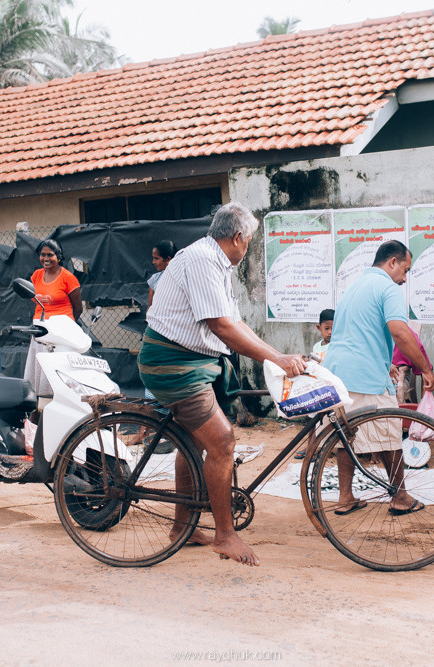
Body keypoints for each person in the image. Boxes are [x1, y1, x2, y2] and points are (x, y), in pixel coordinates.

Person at [138, 202, 305, 566]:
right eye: (250, 242)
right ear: (238, 238)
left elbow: (235, 323)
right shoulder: (202, 260)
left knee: (193, 442)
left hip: (193, 363)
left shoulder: (216, 262)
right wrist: (276, 359)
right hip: (174, 365)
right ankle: (225, 535)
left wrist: (277, 355)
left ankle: (181, 527)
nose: (248, 249)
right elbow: (222, 326)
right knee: (223, 441)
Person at [324, 240, 434, 516]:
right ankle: (400, 497)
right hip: (365, 378)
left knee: (346, 435)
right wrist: (424, 368)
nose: (405, 278)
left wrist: (384, 363)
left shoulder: (355, 287)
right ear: (393, 262)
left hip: (337, 373)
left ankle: (345, 497)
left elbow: (357, 334)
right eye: (405, 270)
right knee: (389, 436)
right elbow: (400, 332)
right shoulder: (388, 288)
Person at [24, 239, 82, 397]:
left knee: (58, 375)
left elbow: (78, 308)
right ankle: (41, 405)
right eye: (42, 255)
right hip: (40, 332)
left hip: (59, 335)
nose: (45, 258)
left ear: (59, 256)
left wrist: (64, 327)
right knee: (40, 374)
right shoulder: (36, 275)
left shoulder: (68, 277)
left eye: (50, 255)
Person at [294, 308, 334, 460]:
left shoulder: (338, 345)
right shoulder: (317, 346)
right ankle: (311, 447)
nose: (330, 332)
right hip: (318, 386)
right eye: (327, 328)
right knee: (314, 420)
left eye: (333, 328)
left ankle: (325, 448)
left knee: (331, 420)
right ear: (319, 328)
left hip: (331, 386)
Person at [147, 240, 178, 307]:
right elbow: (150, 307)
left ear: (168, 259)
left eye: (156, 258)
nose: (153, 262)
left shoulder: (181, 277)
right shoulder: (154, 279)